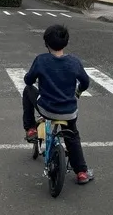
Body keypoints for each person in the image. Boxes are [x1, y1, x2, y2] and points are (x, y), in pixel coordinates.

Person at [22, 24, 92, 185]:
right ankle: (81, 172)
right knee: (72, 136)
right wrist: (78, 92)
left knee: (28, 91)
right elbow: (85, 82)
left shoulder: (41, 60)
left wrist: (33, 78)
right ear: (66, 42)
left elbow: (28, 81)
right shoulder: (74, 62)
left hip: (47, 109)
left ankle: (31, 128)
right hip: (69, 111)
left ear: (46, 43)